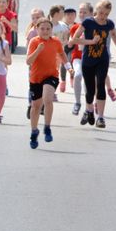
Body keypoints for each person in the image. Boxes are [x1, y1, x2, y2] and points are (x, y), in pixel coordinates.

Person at [70, 0, 116, 128]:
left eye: (106, 14)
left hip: (102, 59)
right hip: (88, 60)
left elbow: (114, 35)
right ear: (96, 11)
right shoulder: (88, 22)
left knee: (100, 85)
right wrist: (91, 42)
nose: (103, 17)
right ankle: (88, 110)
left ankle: (101, 117)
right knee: (90, 89)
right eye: (101, 13)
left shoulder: (109, 24)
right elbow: (75, 40)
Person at [27, 18, 72, 149]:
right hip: (36, 78)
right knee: (35, 106)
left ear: (51, 30)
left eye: (48, 29)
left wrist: (68, 67)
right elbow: (28, 61)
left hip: (51, 75)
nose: (45, 31)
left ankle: (47, 127)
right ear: (37, 29)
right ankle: (34, 131)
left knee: (48, 99)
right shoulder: (34, 42)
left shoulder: (56, 42)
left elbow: (63, 54)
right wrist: (38, 50)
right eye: (42, 29)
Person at [68, 2, 93, 115]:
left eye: (85, 12)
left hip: (91, 57)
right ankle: (77, 103)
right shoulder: (75, 27)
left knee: (90, 83)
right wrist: (70, 41)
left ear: (91, 13)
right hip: (78, 57)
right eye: (80, 12)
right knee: (78, 75)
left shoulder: (95, 27)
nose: (82, 14)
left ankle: (90, 105)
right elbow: (70, 43)